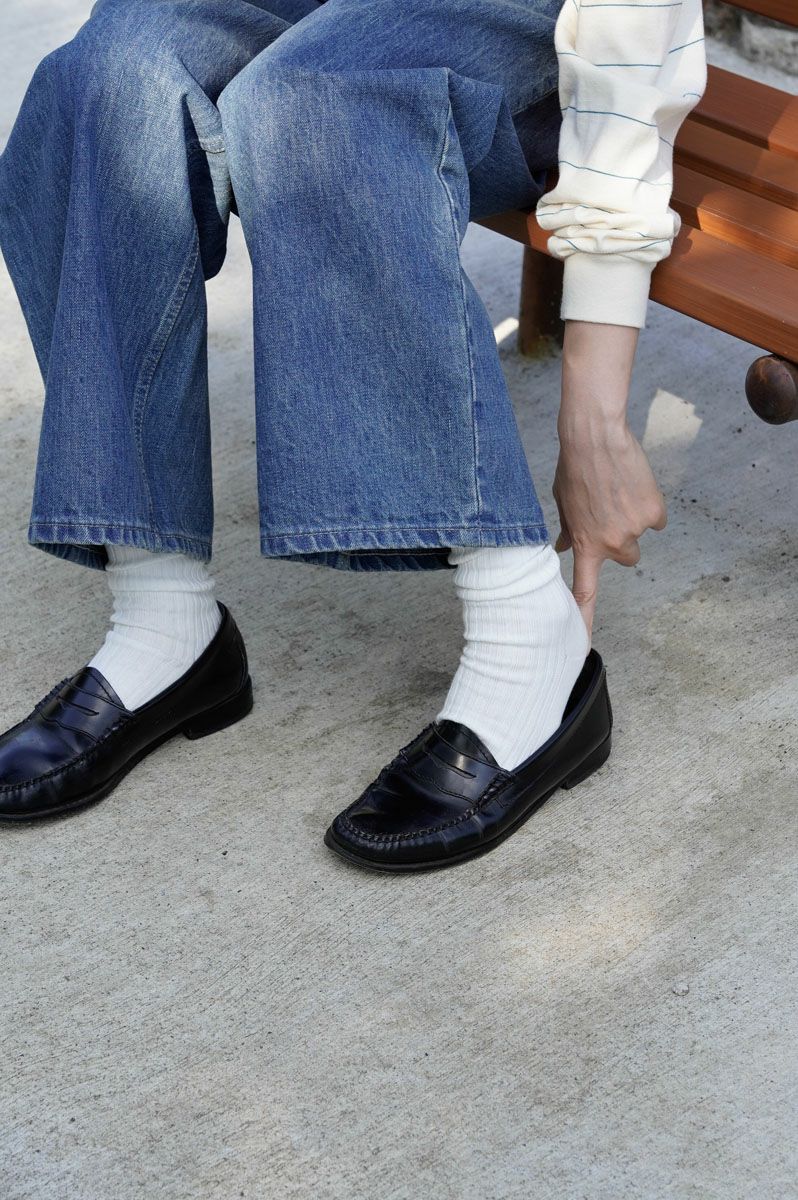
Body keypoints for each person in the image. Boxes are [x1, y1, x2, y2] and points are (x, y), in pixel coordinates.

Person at [0, 0, 706, 869]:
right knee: (103, 78)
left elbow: (632, 49)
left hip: (550, 50)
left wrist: (593, 419)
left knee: (314, 97)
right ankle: (165, 620)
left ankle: (531, 640)